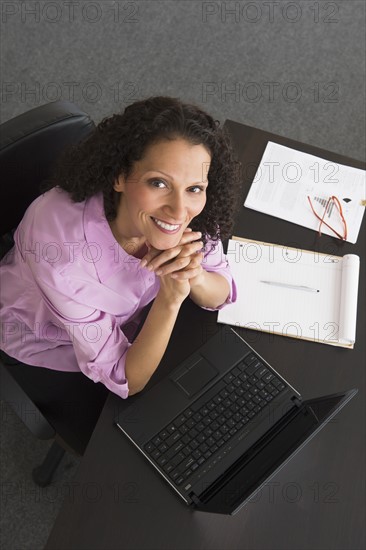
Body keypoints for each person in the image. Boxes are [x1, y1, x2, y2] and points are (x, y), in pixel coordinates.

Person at [0, 96, 241, 453]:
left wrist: (195, 276)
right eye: (159, 183)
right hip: (49, 336)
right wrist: (171, 298)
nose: (179, 209)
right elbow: (127, 378)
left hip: (136, 320)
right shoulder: (63, 256)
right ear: (119, 176)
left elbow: (221, 291)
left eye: (194, 189)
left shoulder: (189, 211)